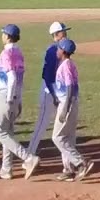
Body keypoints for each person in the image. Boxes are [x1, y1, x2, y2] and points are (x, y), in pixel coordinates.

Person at [0, 24, 41, 180]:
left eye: (3, 34)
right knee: (8, 133)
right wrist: (17, 98)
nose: (1, 36)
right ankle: (6, 169)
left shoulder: (6, 54)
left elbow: (12, 77)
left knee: (0, 132)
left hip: (6, 96)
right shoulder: (19, 53)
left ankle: (28, 158)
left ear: (7, 36)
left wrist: (9, 98)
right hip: (16, 97)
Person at [50, 38, 95, 182]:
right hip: (69, 102)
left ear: (63, 51)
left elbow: (69, 87)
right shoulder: (68, 64)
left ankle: (82, 162)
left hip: (67, 103)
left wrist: (65, 109)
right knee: (68, 138)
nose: (57, 51)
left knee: (57, 137)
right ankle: (69, 169)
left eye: (58, 49)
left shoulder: (66, 66)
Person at [28, 21, 70, 157]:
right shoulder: (52, 50)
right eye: (63, 31)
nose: (66, 33)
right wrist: (54, 95)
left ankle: (68, 158)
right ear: (56, 35)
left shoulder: (63, 49)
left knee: (63, 125)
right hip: (49, 92)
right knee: (42, 124)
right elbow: (47, 75)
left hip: (58, 93)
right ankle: (29, 155)